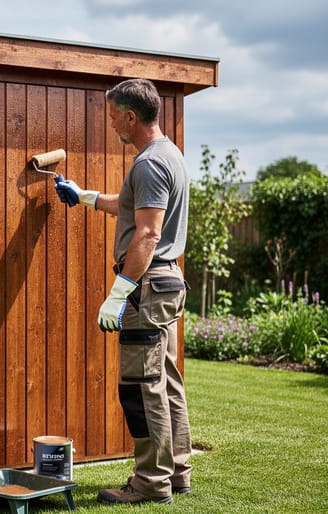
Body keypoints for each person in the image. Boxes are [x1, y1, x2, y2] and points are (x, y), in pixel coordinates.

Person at [54, 78, 192, 505]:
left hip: (146, 287)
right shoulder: (169, 156)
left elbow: (147, 234)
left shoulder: (149, 163)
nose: (111, 122)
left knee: (140, 385)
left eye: (113, 115)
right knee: (166, 381)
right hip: (166, 282)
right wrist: (86, 197)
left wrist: (120, 292)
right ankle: (177, 472)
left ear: (131, 117)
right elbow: (136, 207)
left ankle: (150, 483)